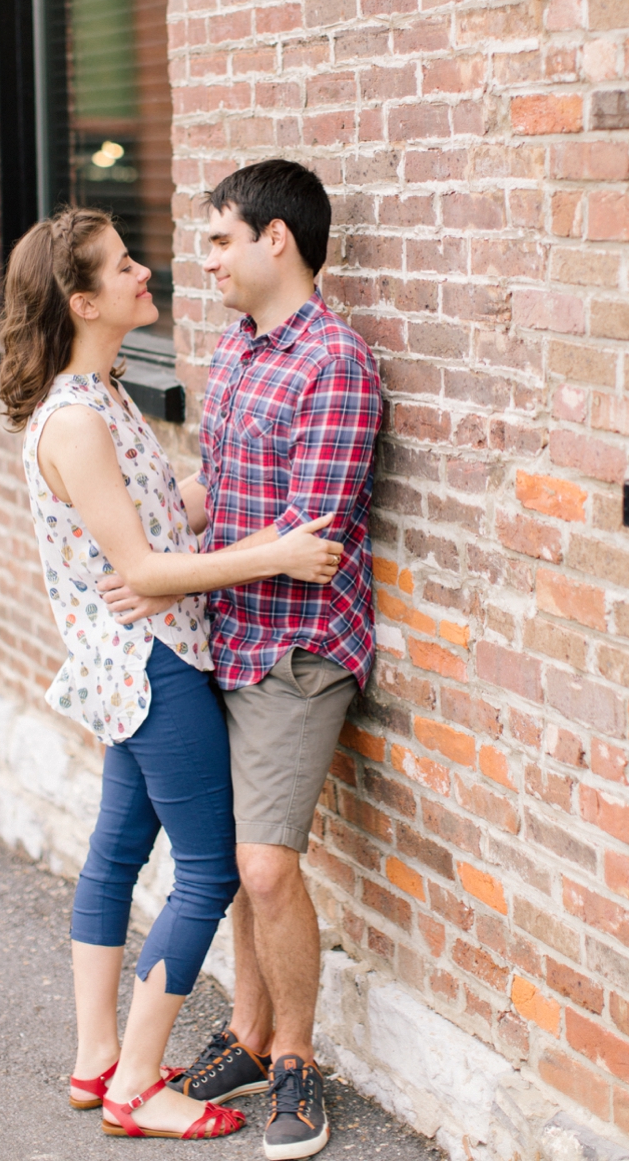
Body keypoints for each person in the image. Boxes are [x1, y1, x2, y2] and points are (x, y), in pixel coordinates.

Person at [0, 206, 344, 1143]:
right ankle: (141, 1083)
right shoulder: (76, 422)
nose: (143, 272)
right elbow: (146, 575)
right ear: (80, 301)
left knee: (115, 854)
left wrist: (234, 499)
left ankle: (95, 1059)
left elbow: (167, 517)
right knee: (204, 873)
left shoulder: (99, 396)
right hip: (157, 668)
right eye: (120, 268)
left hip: (130, 666)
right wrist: (277, 552)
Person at [102, 160, 381, 1161]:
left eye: (219, 239)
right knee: (221, 858)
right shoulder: (235, 351)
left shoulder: (333, 366)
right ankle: (249, 1035)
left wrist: (166, 576)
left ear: (277, 240)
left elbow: (311, 542)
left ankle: (296, 1055)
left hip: (297, 648)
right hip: (222, 636)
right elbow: (218, 487)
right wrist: (119, 532)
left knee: (264, 867)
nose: (202, 259)